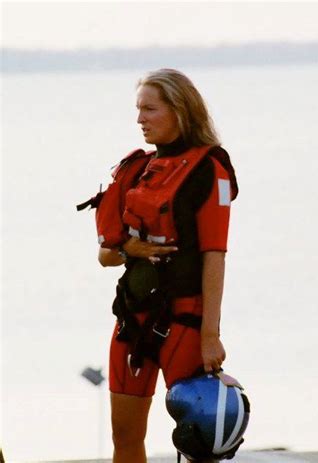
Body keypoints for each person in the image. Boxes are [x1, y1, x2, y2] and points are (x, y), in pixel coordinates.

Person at [97, 69, 238, 463]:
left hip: (187, 322)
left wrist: (210, 334)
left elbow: (215, 255)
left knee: (201, 443)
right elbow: (105, 256)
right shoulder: (138, 170)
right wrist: (132, 250)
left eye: (149, 108)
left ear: (179, 110)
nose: (140, 118)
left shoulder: (211, 169)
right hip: (132, 319)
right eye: (138, 108)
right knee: (125, 438)